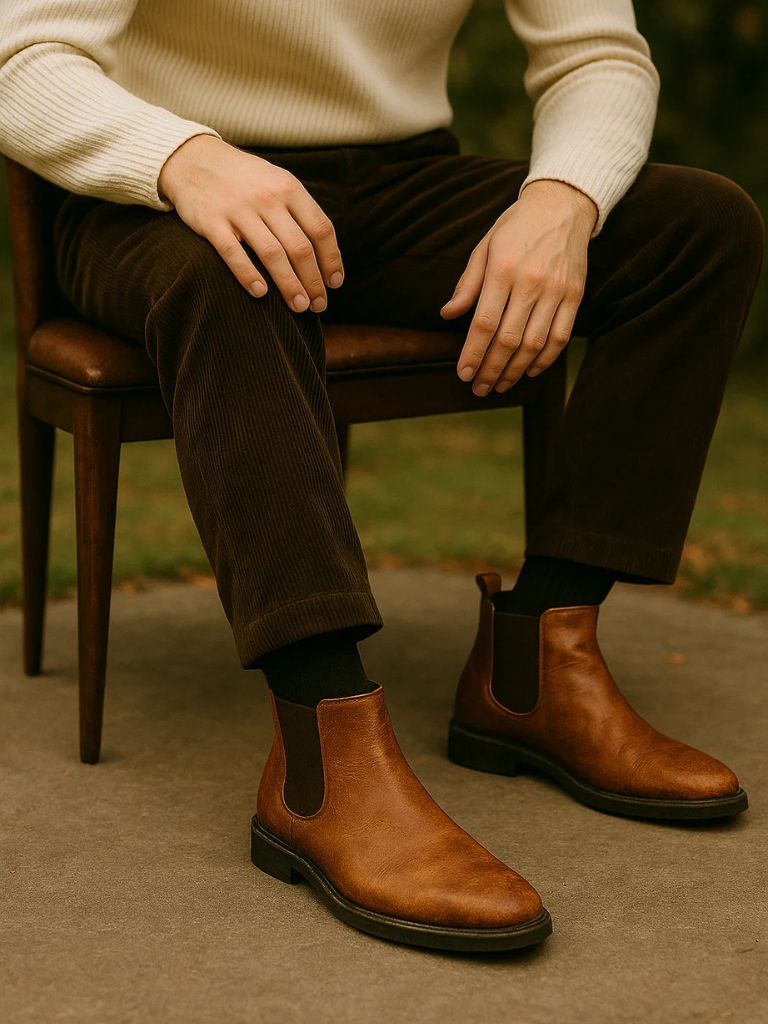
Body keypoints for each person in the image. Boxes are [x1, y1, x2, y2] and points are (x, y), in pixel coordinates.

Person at [0, 1, 763, 954]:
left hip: (398, 180)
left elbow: (596, 53)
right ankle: (324, 757)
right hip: (153, 190)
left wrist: (561, 200)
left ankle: (537, 669)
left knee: (697, 229)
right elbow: (21, 56)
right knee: (235, 270)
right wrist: (185, 157)